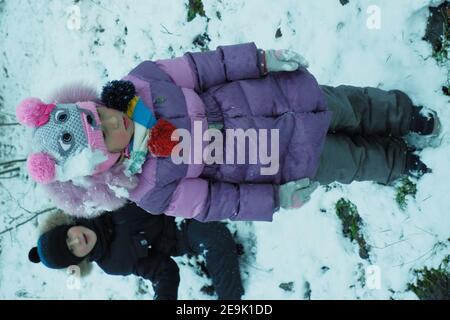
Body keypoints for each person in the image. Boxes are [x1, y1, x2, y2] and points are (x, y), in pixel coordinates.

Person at [16, 42, 441, 220]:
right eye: (105, 135)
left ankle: (403, 116)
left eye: (102, 114)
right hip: (272, 162)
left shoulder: (144, 82)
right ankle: (396, 162)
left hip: (272, 95)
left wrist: (260, 61)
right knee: (348, 161)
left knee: (350, 105)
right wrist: (275, 197)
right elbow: (216, 202)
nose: (115, 122)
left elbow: (205, 67)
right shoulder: (150, 188)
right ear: (102, 164)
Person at [28, 202, 244, 300]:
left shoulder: (97, 201)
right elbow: (163, 270)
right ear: (79, 259)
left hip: (178, 197)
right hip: (180, 231)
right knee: (214, 237)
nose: (77, 241)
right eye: (72, 250)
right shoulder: (113, 263)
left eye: (68, 237)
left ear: (67, 225)